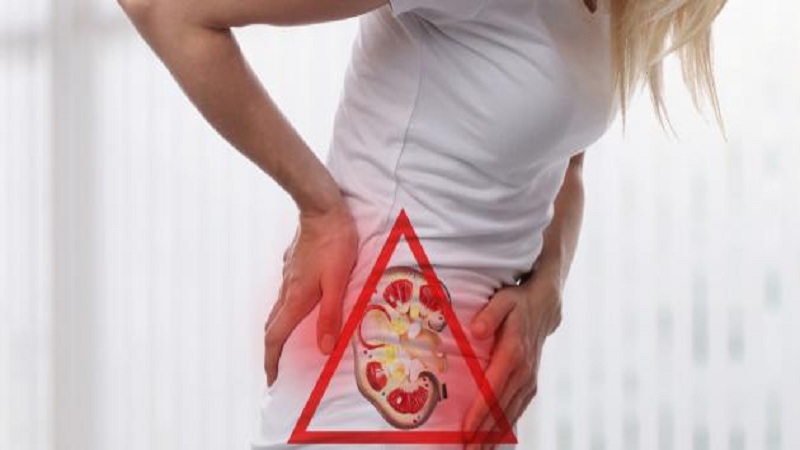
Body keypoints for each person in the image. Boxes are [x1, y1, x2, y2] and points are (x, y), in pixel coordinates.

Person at [118, 0, 727, 448]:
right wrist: (319, 207)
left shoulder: (609, 12)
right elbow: (167, 10)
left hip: (471, 400)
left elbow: (566, 163)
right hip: (364, 383)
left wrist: (549, 288)